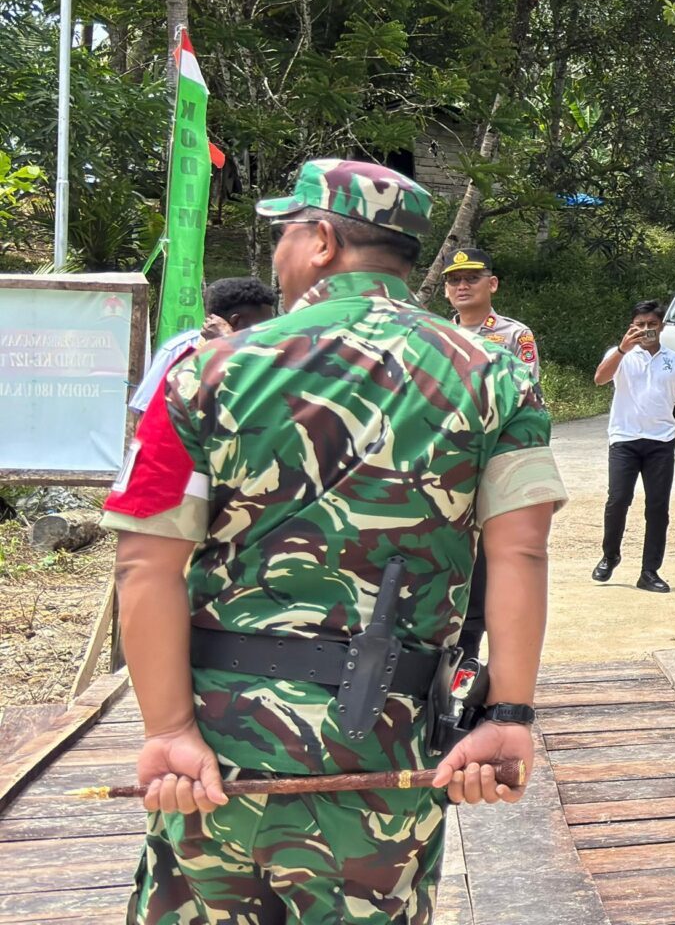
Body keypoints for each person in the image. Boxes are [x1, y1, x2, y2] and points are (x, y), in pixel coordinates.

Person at [99, 158, 561, 922]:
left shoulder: (204, 371)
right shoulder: (495, 377)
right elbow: (522, 551)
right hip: (384, 746)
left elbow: (144, 560)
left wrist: (169, 729)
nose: (277, 252)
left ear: (319, 240)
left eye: (284, 232)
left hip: (219, 744)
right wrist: (509, 716)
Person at [590, 299, 675, 593]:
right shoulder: (620, 356)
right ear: (631, 327)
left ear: (661, 326)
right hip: (624, 439)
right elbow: (600, 379)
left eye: (651, 325)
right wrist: (621, 349)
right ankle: (610, 555)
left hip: (660, 442)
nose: (646, 330)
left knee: (657, 507)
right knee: (618, 499)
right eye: (639, 325)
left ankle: (649, 571)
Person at [126, 277, 280, 419]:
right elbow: (147, 413)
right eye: (264, 325)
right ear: (235, 321)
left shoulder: (271, 353)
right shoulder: (180, 350)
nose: (270, 330)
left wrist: (227, 342)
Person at [440, 248, 540, 390]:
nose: (462, 286)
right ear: (446, 289)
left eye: (472, 278)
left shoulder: (515, 334)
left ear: (492, 284)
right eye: (454, 280)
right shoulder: (438, 335)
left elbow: (527, 391)